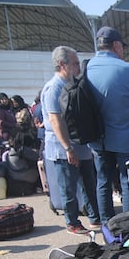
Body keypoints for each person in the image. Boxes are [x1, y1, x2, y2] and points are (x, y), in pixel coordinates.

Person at [87, 26, 129, 218]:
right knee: (127, 179)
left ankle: (106, 224)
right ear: (116, 45)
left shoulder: (86, 68)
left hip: (97, 137)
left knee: (103, 180)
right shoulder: (128, 70)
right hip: (124, 137)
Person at [41, 45, 100, 235]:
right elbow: (55, 120)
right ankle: (72, 222)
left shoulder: (74, 85)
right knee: (69, 187)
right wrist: (68, 148)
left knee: (88, 184)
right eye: (75, 64)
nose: (78, 68)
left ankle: (94, 218)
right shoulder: (54, 88)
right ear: (62, 64)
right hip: (63, 148)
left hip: (80, 146)